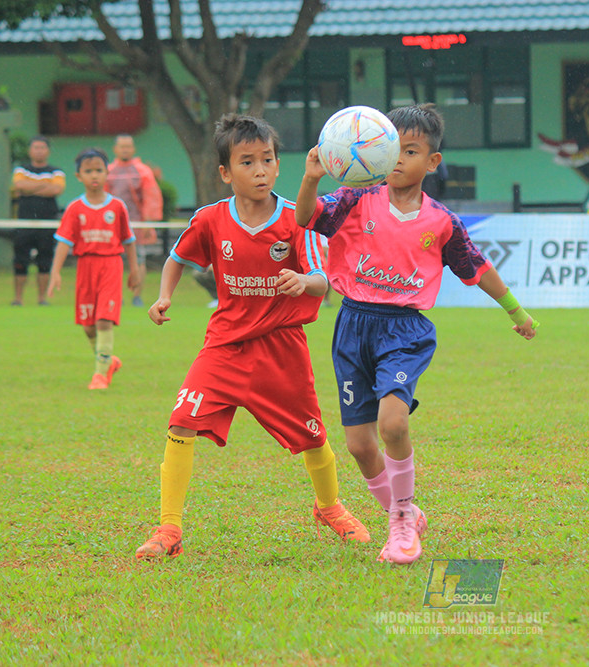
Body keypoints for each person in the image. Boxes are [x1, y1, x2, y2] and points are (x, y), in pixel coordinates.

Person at [294, 103, 539, 565]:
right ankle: (403, 512)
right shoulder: (354, 199)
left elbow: (477, 268)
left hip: (403, 331)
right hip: (352, 326)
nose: (399, 160)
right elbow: (306, 218)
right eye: (393, 150)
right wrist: (310, 179)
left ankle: (402, 522)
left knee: (393, 424)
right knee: (359, 445)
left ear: (432, 162)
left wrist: (516, 312)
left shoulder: (442, 222)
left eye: (411, 151)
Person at [135, 114, 368, 560]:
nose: (260, 170)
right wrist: (164, 296)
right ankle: (169, 527)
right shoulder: (210, 219)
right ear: (225, 173)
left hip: (282, 348)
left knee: (312, 436)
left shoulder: (298, 219)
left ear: (278, 165)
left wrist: (304, 281)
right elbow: (177, 258)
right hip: (224, 345)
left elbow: (323, 278)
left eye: (267, 159)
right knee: (181, 421)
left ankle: (329, 507)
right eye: (247, 162)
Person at [47, 148, 139, 390]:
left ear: (107, 173)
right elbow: (64, 242)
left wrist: (134, 270)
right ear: (79, 176)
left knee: (104, 320)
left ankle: (99, 375)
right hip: (85, 267)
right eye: (88, 171)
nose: (94, 175)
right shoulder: (75, 208)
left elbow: (128, 240)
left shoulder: (117, 206)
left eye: (99, 170)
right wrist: (55, 272)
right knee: (88, 327)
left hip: (111, 264)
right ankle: (108, 361)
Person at [105, 134, 164, 307]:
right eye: (122, 146)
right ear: (115, 149)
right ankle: (116, 295)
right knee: (113, 261)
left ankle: (137, 295)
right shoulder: (108, 171)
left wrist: (147, 222)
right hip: (112, 224)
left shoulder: (142, 171)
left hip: (137, 223)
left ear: (133, 149)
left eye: (128, 146)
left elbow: (151, 196)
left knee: (138, 260)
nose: (125, 150)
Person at [12, 136, 65, 306]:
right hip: (24, 223)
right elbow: (19, 185)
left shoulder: (56, 171)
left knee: (45, 261)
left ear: (48, 151)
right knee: (20, 261)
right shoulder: (21, 169)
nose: (39, 151)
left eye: (42, 147)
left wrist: (30, 188)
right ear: (30, 150)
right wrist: (44, 185)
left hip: (47, 224)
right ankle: (18, 299)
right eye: (36, 147)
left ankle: (42, 298)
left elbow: (56, 189)